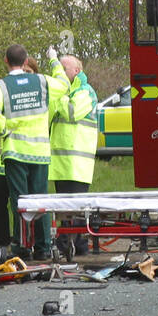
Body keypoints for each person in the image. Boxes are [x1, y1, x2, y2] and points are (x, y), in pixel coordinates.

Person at [0, 44, 70, 259]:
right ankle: (42, 248)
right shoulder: (41, 81)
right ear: (25, 62)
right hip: (40, 152)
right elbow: (64, 84)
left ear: (6, 60)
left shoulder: (1, 86)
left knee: (20, 202)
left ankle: (23, 247)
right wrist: (53, 59)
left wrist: (3, 130)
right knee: (40, 200)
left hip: (15, 152)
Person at [49, 54, 99, 255]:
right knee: (64, 208)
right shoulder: (69, 90)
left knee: (76, 208)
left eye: (64, 68)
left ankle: (77, 246)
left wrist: (60, 95)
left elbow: (71, 112)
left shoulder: (85, 92)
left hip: (78, 164)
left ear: (76, 71)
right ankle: (67, 245)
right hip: (62, 164)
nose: (60, 71)